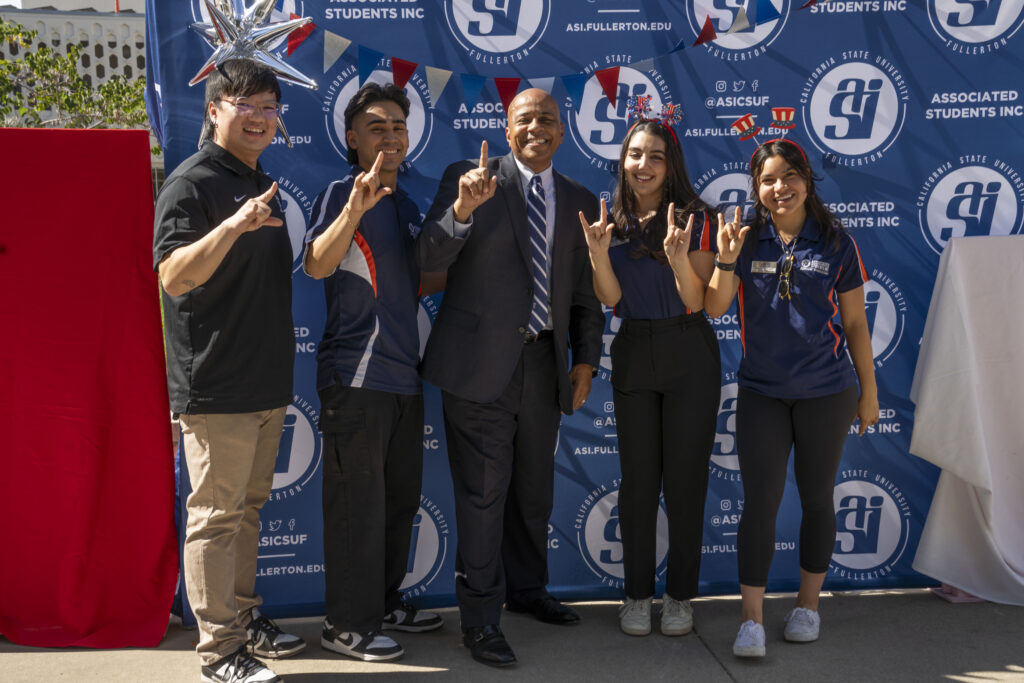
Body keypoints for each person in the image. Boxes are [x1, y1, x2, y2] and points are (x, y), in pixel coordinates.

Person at [416, 88, 604, 667]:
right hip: (477, 368)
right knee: (482, 497)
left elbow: (584, 291)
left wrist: (586, 358)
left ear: (563, 130)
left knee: (532, 492)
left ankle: (527, 590)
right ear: (507, 125)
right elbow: (426, 259)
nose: (537, 129)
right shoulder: (470, 177)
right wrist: (462, 211)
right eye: (526, 119)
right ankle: (480, 621)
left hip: (543, 366)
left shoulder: (578, 197)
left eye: (548, 120)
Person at [153, 59, 305, 683]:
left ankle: (241, 619)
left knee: (246, 510)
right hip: (215, 384)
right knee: (216, 517)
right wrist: (233, 225)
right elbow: (172, 276)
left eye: (270, 107)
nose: (262, 117)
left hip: (264, 379)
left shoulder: (256, 177)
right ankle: (220, 651)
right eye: (247, 105)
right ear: (214, 109)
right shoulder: (193, 183)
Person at [703, 139, 879, 658]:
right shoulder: (744, 238)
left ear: (806, 177)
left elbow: (854, 324)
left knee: (817, 498)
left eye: (789, 176)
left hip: (827, 392)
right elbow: (714, 308)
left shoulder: (836, 242)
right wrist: (725, 260)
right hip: (762, 394)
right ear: (756, 189)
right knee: (760, 503)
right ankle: (751, 620)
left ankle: (807, 607)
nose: (781, 188)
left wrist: (869, 392)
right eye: (768, 180)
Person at [303, 82, 443, 663]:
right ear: (352, 137)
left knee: (396, 504)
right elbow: (316, 264)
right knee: (356, 507)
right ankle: (345, 625)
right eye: (377, 127)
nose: (390, 136)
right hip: (354, 379)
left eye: (398, 127)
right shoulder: (340, 192)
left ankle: (382, 604)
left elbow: (417, 283)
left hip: (404, 379)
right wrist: (355, 209)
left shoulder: (409, 204)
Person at [579, 119, 721, 638]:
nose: (643, 165)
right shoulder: (610, 218)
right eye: (634, 154)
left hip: (689, 347)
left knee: (685, 484)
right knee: (639, 484)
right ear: (623, 161)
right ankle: (636, 595)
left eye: (655, 156)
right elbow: (612, 300)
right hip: (635, 346)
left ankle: (680, 596)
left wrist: (679, 258)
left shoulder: (698, 218)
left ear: (671, 164)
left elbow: (697, 299)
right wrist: (598, 254)